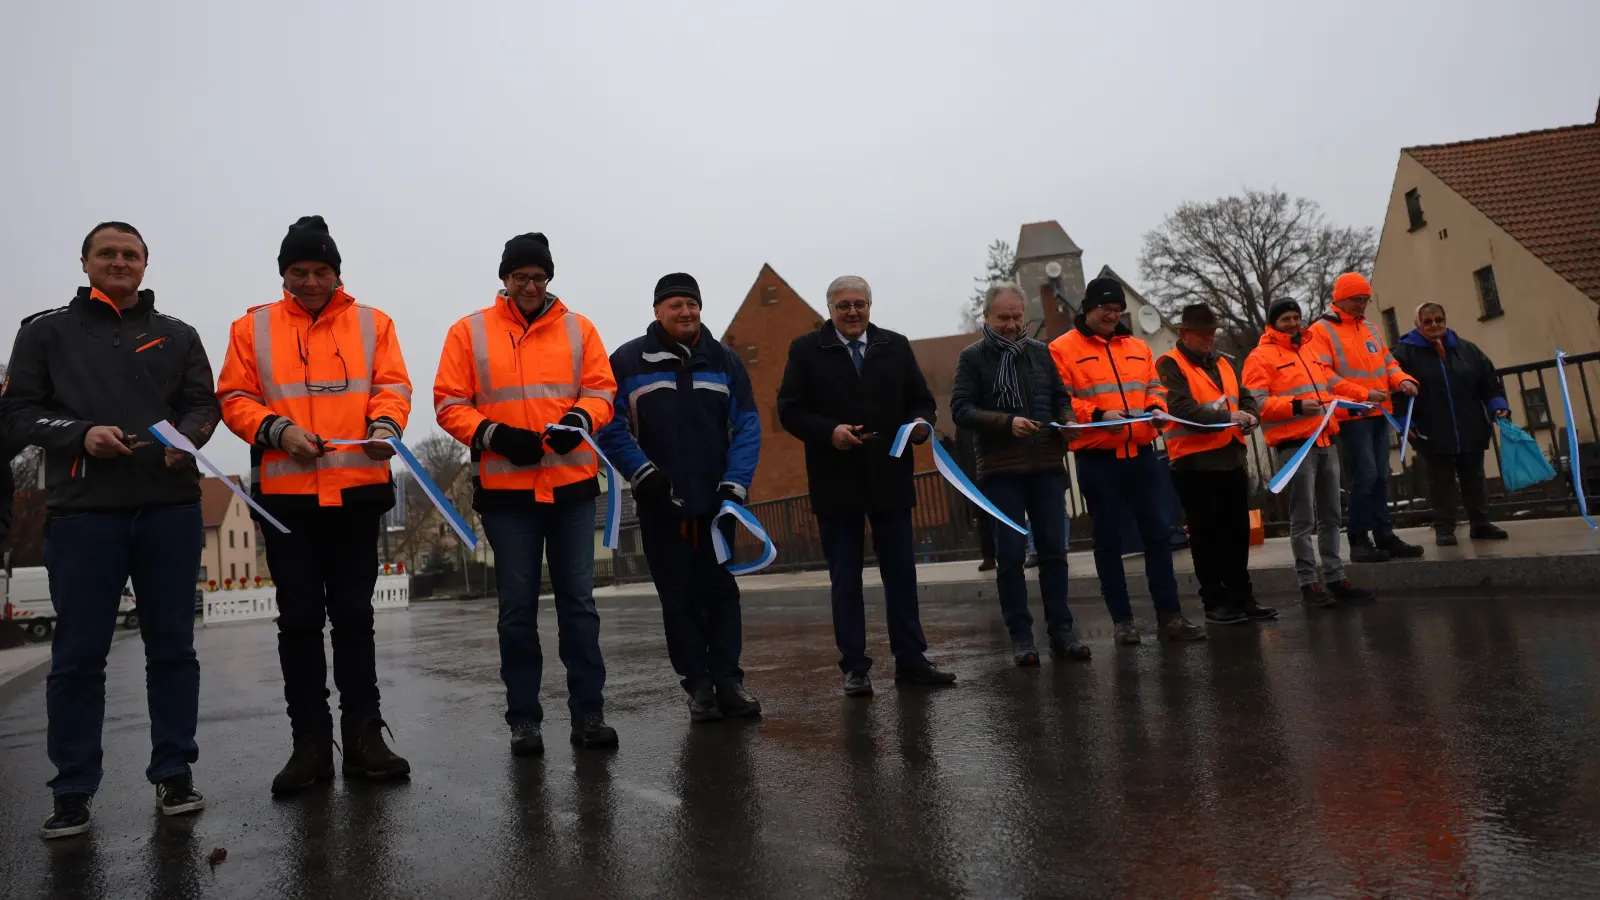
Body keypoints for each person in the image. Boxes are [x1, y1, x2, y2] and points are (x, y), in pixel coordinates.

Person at [0, 222, 219, 838]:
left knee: (173, 650)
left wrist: (190, 441)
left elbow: (205, 406)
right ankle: (72, 788)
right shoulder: (43, 331)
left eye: (131, 254)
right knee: (76, 659)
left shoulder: (178, 335)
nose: (120, 262)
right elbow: (15, 413)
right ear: (86, 261)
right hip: (82, 513)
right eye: (108, 253)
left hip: (169, 510)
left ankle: (174, 772)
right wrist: (80, 434)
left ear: (146, 264)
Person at [217, 216, 414, 795]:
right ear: (284, 273)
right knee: (299, 623)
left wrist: (385, 424)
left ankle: (364, 739)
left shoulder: (374, 323)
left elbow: (394, 385)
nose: (310, 281)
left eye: (320, 270)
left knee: (355, 618)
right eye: (299, 271)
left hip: (356, 493)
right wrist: (278, 431)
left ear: (336, 273)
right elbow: (233, 396)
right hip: (287, 501)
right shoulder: (251, 328)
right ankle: (309, 745)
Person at [434, 232, 619, 754]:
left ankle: (589, 714)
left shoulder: (580, 330)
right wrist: (494, 435)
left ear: (549, 279)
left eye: (539, 277)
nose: (531, 286)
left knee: (578, 606)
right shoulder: (469, 332)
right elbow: (449, 402)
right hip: (508, 492)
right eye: (521, 278)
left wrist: (580, 419)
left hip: (573, 486)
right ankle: (525, 720)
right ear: (505, 280)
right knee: (516, 608)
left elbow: (602, 389)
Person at [777, 275, 957, 696]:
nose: (853, 312)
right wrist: (829, 432)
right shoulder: (805, 350)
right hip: (834, 478)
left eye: (860, 304)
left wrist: (920, 424)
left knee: (901, 574)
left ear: (870, 306)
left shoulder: (894, 345)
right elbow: (790, 410)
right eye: (844, 306)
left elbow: (922, 400)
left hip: (890, 474)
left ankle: (911, 660)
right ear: (830, 310)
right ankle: (855, 668)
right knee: (846, 578)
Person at [595, 273, 762, 723]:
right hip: (660, 505)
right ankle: (699, 688)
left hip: (715, 506)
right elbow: (609, 425)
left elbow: (747, 426)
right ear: (657, 311)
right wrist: (642, 473)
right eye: (675, 305)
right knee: (678, 598)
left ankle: (729, 681)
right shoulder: (628, 362)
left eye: (692, 304)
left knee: (722, 594)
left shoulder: (725, 361)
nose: (685, 312)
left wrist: (736, 484)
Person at [1048, 276, 1206, 644]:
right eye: (1106, 309)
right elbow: (1062, 400)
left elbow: (1155, 386)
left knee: (1158, 535)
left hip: (1143, 455)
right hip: (1098, 458)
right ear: (1088, 308)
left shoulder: (1137, 346)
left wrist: (1156, 407)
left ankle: (1171, 616)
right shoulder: (1061, 349)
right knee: (1108, 540)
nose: (1112, 315)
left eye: (1117, 310)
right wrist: (1100, 415)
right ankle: (1123, 622)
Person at [950, 282, 1089, 666]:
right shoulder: (972, 357)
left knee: (1054, 553)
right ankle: (1022, 637)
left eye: (1016, 317)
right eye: (1003, 318)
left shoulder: (1041, 353)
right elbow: (961, 409)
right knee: (1010, 557)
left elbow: (1060, 398)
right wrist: (1006, 423)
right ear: (987, 317)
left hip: (1046, 465)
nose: (1012, 325)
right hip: (1001, 471)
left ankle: (1062, 631)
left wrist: (1067, 420)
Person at [1243, 299, 1377, 608]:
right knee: (1303, 518)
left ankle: (1335, 576)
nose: (1292, 323)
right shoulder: (1259, 358)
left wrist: (1355, 404)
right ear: (1273, 323)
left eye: (1295, 317)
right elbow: (1258, 405)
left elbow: (1329, 393)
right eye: (1285, 319)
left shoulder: (1309, 350)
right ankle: (1308, 583)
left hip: (1325, 443)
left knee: (1331, 515)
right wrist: (1296, 406)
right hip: (1294, 447)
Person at [1155, 304, 1276, 625]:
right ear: (1184, 334)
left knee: (1236, 534)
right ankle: (1215, 602)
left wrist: (1250, 416)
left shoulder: (1225, 363)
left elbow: (1245, 396)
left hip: (1231, 459)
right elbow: (1181, 409)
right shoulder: (1169, 366)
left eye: (1211, 333)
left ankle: (1241, 596)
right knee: (1207, 537)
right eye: (1202, 334)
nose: (1208, 339)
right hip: (1193, 464)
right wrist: (1229, 417)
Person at [1306, 273, 1423, 562]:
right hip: (1351, 416)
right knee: (1366, 475)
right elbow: (1323, 375)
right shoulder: (1320, 331)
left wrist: (1403, 381)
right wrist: (1362, 395)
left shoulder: (1369, 328)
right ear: (1341, 298)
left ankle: (1384, 534)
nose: (1362, 306)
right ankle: (1359, 538)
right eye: (1358, 300)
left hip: (1379, 413)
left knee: (1381, 475)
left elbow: (1387, 362)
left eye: (1365, 300)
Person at [1391, 302, 1511, 546]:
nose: (1434, 325)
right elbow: (1395, 391)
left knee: (1474, 475)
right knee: (1440, 479)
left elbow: (1488, 380)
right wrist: (1405, 422)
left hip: (1469, 422)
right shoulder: (1404, 354)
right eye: (1428, 321)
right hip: (1431, 428)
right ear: (1418, 324)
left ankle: (1481, 523)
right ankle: (1444, 528)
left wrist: (1496, 403)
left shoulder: (1466, 349)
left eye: (1438, 319)